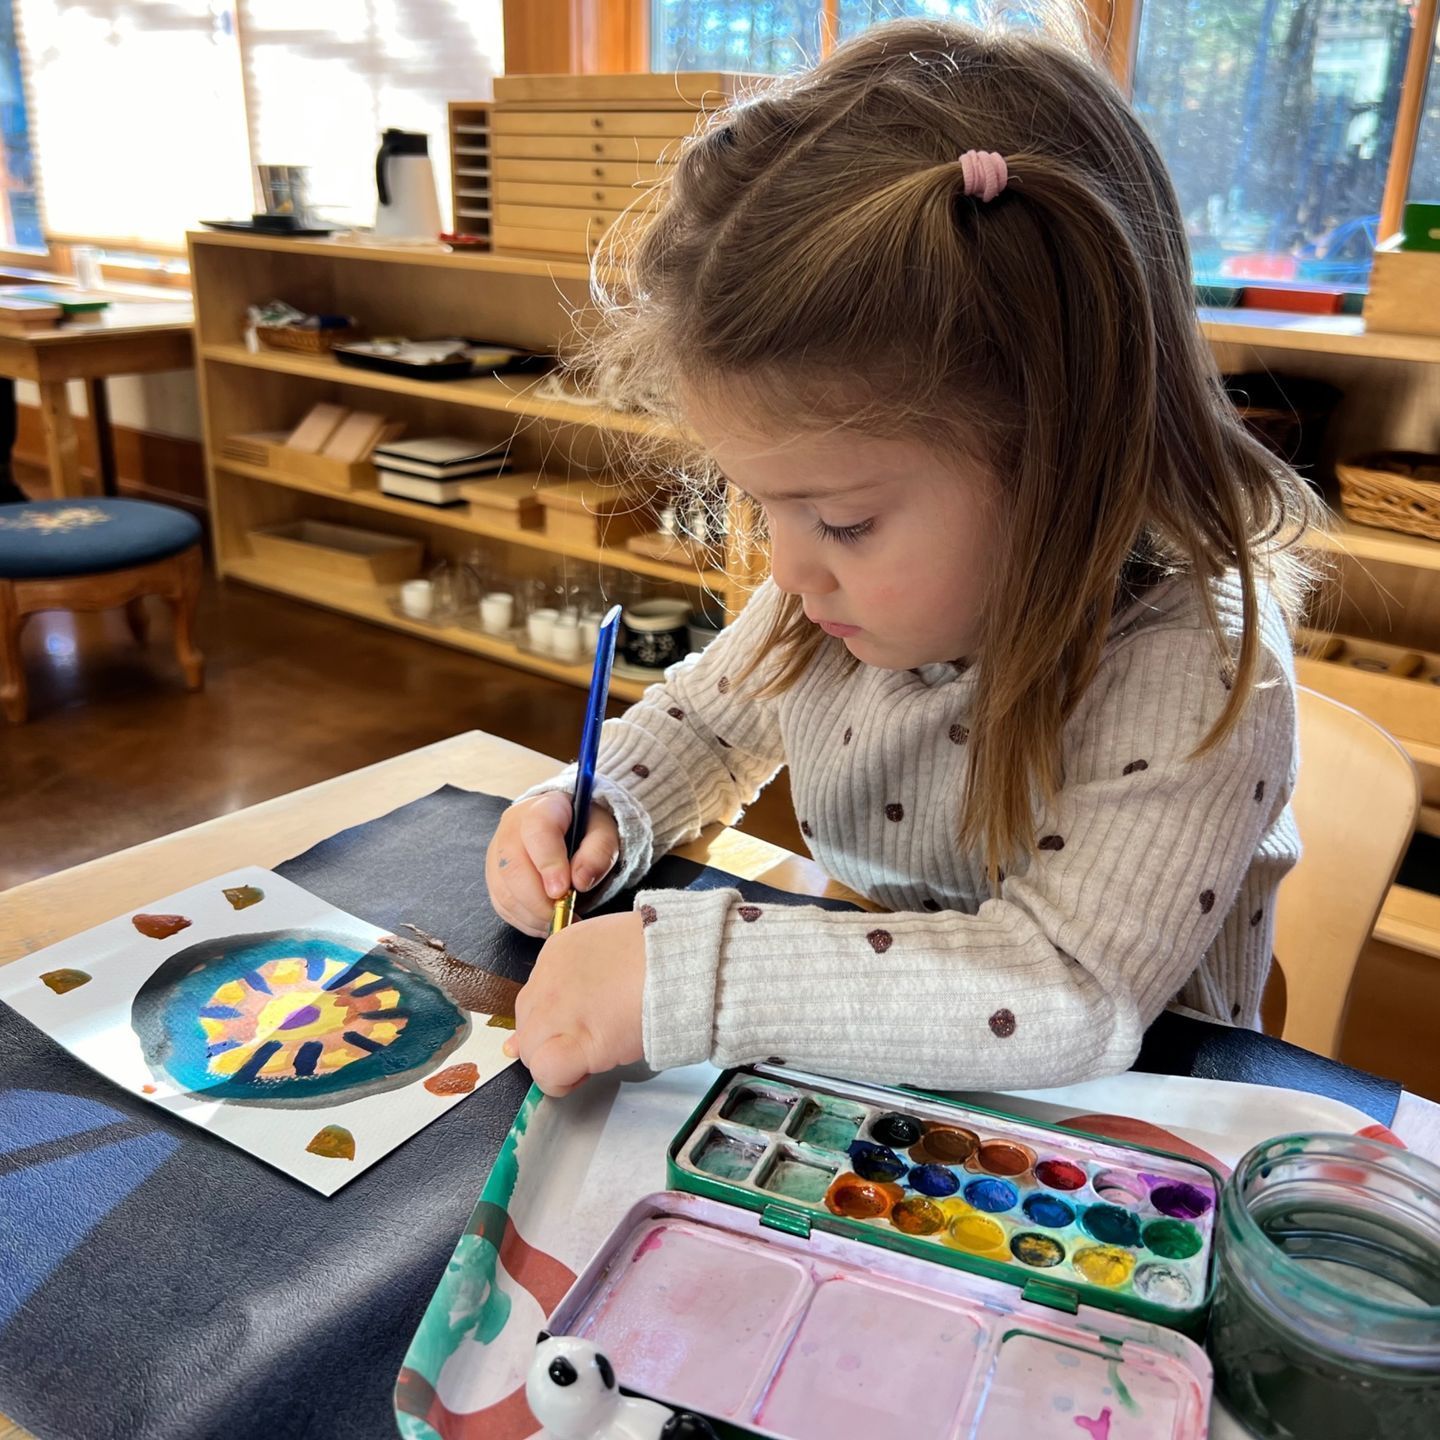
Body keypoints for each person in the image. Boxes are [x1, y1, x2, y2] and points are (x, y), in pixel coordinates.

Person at [485, 16, 1319, 1098]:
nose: (787, 572)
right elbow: (704, 722)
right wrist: (605, 808)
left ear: (1064, 456)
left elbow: (1066, 989)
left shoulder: (1197, 670)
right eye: (763, 505)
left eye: (839, 520)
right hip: (894, 1093)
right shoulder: (841, 602)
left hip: (1122, 1140)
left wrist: (702, 975)